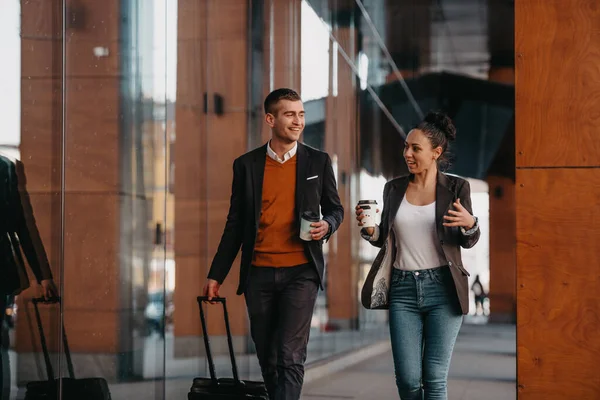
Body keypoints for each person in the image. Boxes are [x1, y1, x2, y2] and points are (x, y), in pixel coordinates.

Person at [203, 88, 344, 400]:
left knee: (290, 355)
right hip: (259, 274)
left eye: (302, 114)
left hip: (301, 272)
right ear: (270, 119)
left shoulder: (317, 162)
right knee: (268, 355)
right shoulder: (246, 165)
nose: (298, 121)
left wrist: (328, 225)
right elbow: (235, 224)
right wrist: (216, 275)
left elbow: (336, 209)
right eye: (290, 114)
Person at [356, 111, 480, 400]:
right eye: (406, 147)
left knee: (434, 380)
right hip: (403, 290)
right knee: (409, 380)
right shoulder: (393, 188)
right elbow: (383, 239)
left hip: (444, 289)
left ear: (436, 153)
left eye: (415, 148)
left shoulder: (457, 188)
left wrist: (470, 224)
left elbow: (470, 239)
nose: (407, 154)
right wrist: (370, 230)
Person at [0, 155, 58, 399]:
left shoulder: (5, 168)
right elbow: (23, 224)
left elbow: (22, 224)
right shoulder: (5, 167)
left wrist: (42, 276)